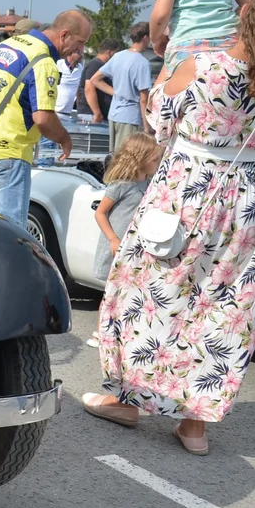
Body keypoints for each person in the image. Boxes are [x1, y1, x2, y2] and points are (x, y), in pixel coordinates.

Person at [81, 0, 255, 456]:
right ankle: (194, 425)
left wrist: (164, 70)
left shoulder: (202, 64)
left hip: (189, 190)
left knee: (145, 287)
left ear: (242, 16)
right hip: (244, 201)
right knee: (224, 302)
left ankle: (127, 398)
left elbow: (159, 123)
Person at [0, 10, 90, 227]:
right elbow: (43, 118)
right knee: (11, 230)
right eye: (80, 42)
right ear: (64, 35)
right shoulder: (43, 61)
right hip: (10, 151)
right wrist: (64, 138)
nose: (80, 50)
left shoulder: (5, 46)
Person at [85, 133, 162, 348]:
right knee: (113, 291)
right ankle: (100, 332)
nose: (158, 163)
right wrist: (113, 239)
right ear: (140, 158)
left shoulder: (147, 184)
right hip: (117, 246)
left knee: (129, 290)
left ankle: (121, 331)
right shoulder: (122, 185)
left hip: (135, 247)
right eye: (155, 159)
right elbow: (100, 213)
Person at [91, 22, 153, 151]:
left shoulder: (118, 56)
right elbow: (143, 99)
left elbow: (95, 79)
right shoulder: (143, 63)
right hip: (130, 117)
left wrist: (117, 92)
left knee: (114, 157)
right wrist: (147, 127)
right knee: (127, 159)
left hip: (114, 114)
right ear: (145, 37)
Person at [77, 38, 122, 122]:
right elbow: (89, 88)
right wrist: (97, 112)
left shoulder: (102, 66)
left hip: (96, 114)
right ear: (109, 52)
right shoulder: (96, 65)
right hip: (91, 114)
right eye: (116, 53)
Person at [55, 48, 84, 114]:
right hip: (55, 109)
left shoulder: (80, 67)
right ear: (71, 52)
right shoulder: (58, 64)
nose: (81, 55)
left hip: (69, 110)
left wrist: (79, 109)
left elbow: (78, 90)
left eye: (82, 53)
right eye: (79, 53)